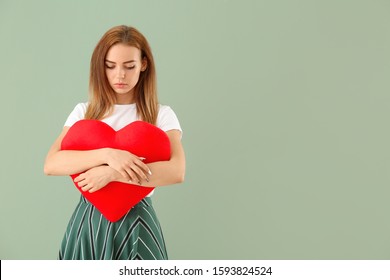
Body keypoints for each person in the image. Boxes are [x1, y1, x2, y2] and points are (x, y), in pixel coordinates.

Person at [44, 25, 185, 260]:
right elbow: (52, 163)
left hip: (137, 219)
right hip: (88, 220)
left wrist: (112, 174)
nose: (120, 75)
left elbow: (176, 171)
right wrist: (108, 155)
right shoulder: (84, 112)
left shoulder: (162, 115)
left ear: (143, 64)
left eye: (129, 66)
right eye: (110, 66)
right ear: (101, 67)